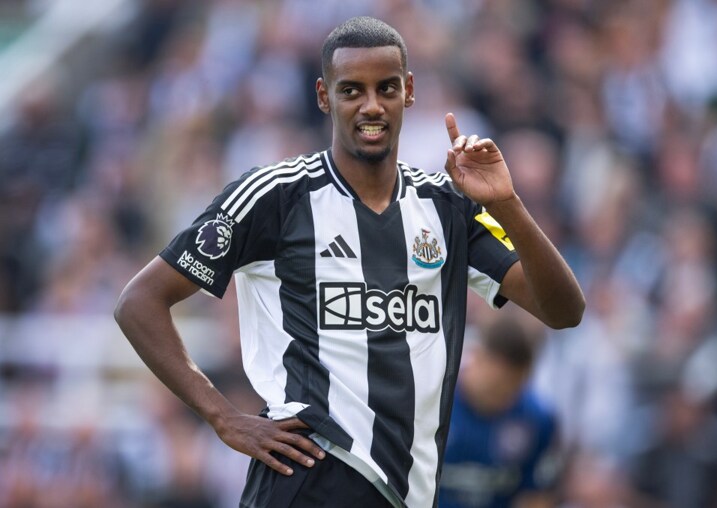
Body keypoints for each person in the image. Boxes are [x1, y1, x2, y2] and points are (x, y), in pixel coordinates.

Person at [114, 16, 584, 508]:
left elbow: (563, 310)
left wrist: (507, 204)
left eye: (386, 88)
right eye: (352, 90)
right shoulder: (276, 196)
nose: (371, 105)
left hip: (406, 494)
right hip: (305, 482)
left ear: (409, 91)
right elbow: (139, 302)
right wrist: (223, 417)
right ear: (324, 96)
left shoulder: (448, 207)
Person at [439, 317, 560, 508]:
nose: (503, 398)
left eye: (513, 390)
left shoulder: (537, 421)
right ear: (476, 357)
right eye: (495, 387)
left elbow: (537, 496)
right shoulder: (434, 404)